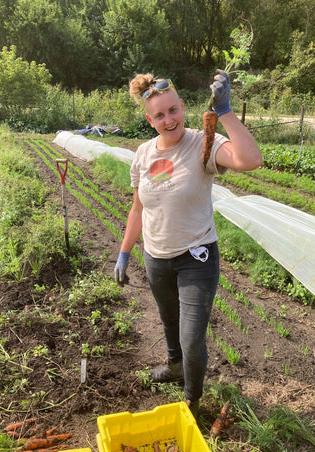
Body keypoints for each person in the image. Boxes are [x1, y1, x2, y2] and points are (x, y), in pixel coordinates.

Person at [114, 70, 262, 419]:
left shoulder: (202, 143)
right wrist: (124, 252)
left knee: (192, 337)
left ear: (183, 106)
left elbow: (250, 160)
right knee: (169, 322)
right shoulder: (143, 154)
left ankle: (191, 400)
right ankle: (174, 366)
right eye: (160, 115)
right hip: (156, 257)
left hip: (197, 256)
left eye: (173, 110)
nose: (169, 120)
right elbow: (138, 207)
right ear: (150, 121)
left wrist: (224, 111)